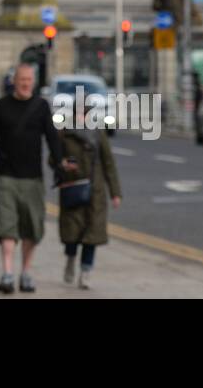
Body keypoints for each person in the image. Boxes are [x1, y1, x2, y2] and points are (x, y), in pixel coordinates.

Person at [0, 61, 62, 294]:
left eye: (29, 80)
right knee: (6, 226)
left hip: (33, 178)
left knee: (32, 230)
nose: (25, 84)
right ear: (14, 81)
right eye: (22, 80)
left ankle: (26, 273)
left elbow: (53, 140)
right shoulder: (0, 107)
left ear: (33, 82)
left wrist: (59, 168)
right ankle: (7, 274)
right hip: (6, 177)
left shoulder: (41, 107)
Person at [57, 96, 122, 290]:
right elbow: (54, 159)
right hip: (72, 188)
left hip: (95, 190)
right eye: (77, 112)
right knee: (72, 233)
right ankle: (70, 259)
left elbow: (109, 163)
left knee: (91, 234)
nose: (81, 116)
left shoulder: (97, 133)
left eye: (83, 113)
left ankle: (86, 272)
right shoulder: (64, 134)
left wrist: (115, 193)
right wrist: (65, 165)